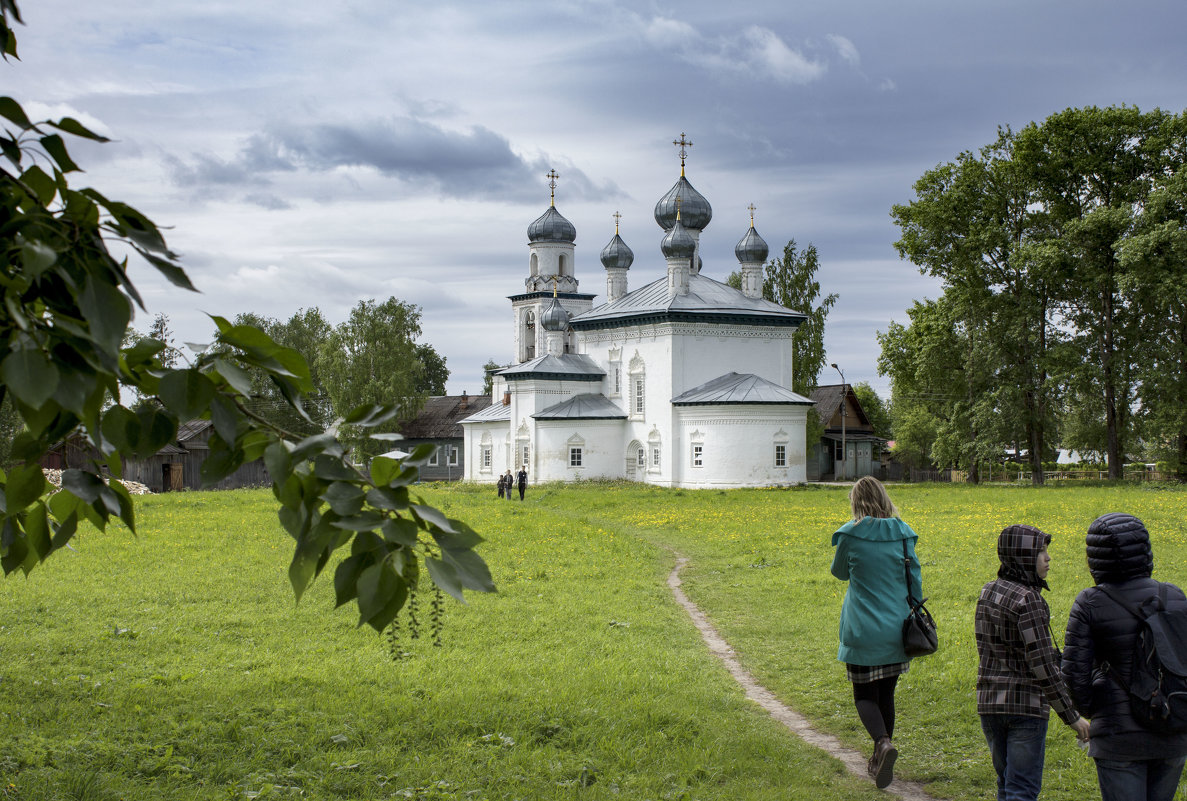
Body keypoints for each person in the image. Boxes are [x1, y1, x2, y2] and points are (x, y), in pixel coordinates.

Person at [1062, 513, 1187, 801]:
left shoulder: (1090, 602)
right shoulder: (1174, 596)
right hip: (1172, 727)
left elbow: (1073, 673)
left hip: (1118, 737)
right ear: (1145, 550)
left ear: (1096, 556)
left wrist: (1097, 709)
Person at [975, 524, 1090, 801]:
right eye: (1041, 552)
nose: (1048, 558)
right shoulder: (1029, 600)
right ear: (1023, 556)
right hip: (1025, 708)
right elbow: (1043, 666)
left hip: (989, 703)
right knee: (1022, 790)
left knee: (1006, 785)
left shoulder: (987, 591)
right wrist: (1072, 716)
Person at [830, 476, 920, 789]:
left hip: (862, 629)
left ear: (856, 502)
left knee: (864, 695)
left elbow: (839, 572)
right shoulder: (904, 535)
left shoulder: (850, 536)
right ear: (884, 499)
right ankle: (880, 754)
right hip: (896, 629)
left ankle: (882, 744)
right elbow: (915, 583)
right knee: (886, 694)